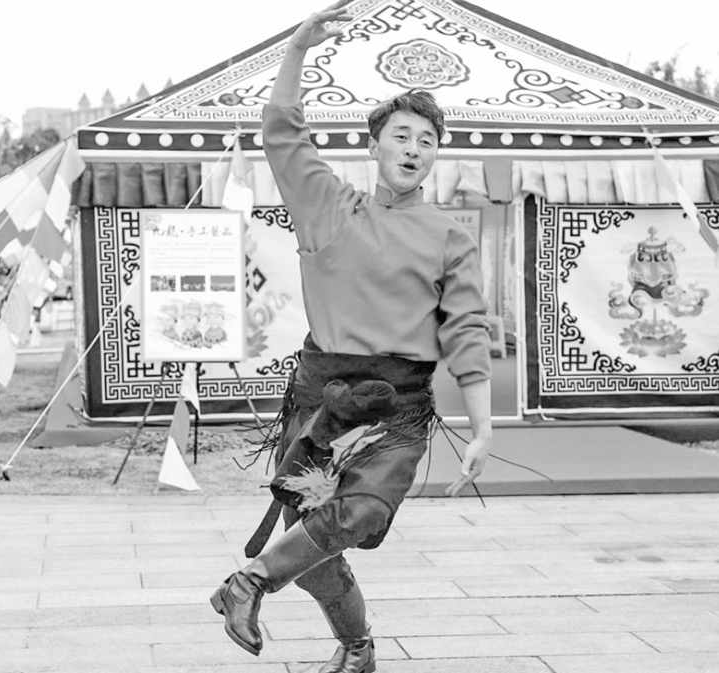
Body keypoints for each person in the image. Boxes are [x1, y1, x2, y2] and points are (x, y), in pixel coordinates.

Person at [210, 2, 493, 671]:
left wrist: (483, 427)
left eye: (427, 140)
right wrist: (297, 49)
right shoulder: (329, 206)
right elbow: (282, 133)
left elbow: (466, 330)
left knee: (361, 512)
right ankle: (358, 647)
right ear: (375, 145)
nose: (414, 149)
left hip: (397, 411)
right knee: (311, 544)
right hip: (320, 405)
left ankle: (248, 582)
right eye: (402, 135)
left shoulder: (450, 235)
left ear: (435, 155)